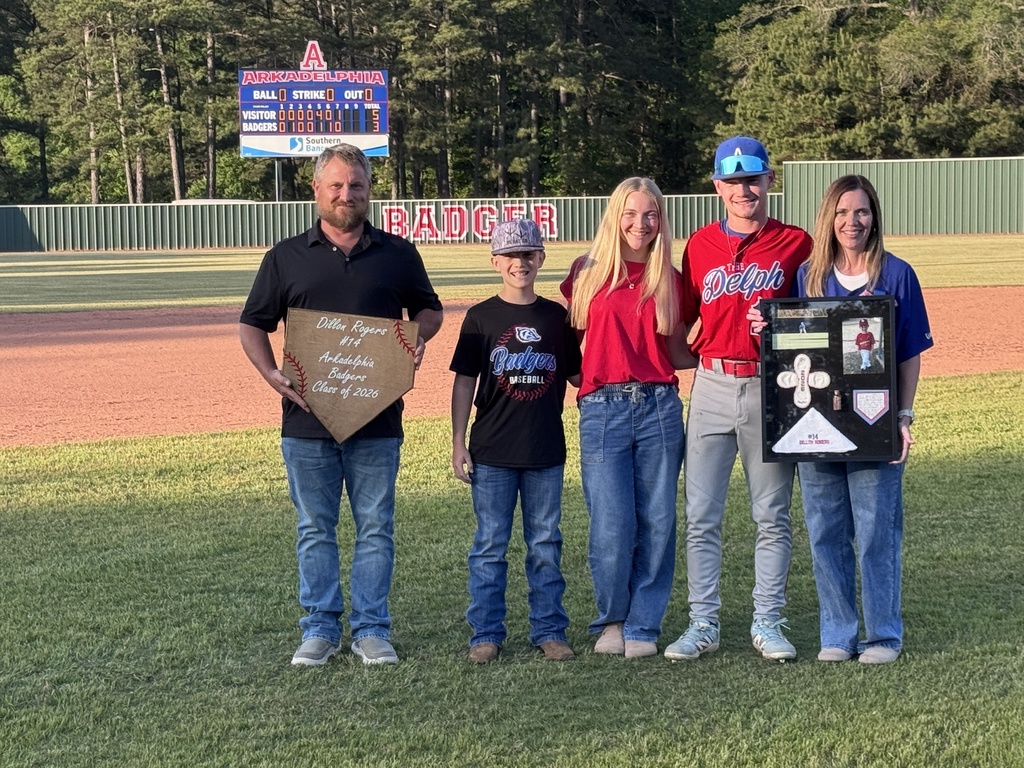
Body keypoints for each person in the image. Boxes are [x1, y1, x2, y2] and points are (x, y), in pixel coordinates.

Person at [239, 143, 443, 667]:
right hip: (305, 420)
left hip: (378, 416)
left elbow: (429, 309)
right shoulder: (285, 256)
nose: (346, 194)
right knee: (315, 528)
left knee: (375, 525)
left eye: (355, 185)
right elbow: (252, 323)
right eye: (336, 184)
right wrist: (269, 374)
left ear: (369, 190)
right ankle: (320, 629)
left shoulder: (397, 253)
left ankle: (372, 629)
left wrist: (414, 340)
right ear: (316, 189)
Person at [666, 136, 812, 662]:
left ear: (770, 180)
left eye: (752, 178)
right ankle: (702, 621)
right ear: (717, 187)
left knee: (771, 515)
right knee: (701, 514)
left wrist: (780, 324)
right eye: (732, 181)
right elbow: (680, 315)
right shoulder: (700, 245)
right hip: (709, 385)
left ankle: (768, 620)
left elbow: (816, 321)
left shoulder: (797, 243)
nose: (743, 189)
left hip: (772, 385)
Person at [786, 174, 932, 664]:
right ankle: (837, 634)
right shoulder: (806, 276)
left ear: (875, 217)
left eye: (862, 211)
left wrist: (904, 414)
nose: (852, 221)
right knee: (826, 529)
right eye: (843, 212)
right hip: (815, 420)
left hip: (874, 420)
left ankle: (883, 635)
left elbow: (909, 353)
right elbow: (788, 345)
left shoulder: (897, 274)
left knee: (876, 530)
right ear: (828, 217)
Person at [560, 177, 693, 659]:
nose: (642, 224)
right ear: (616, 216)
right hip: (602, 410)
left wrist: (734, 344)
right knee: (611, 523)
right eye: (633, 214)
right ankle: (612, 620)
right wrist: (593, 377)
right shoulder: (587, 272)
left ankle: (644, 623)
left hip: (659, 407)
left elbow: (677, 351)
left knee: (657, 520)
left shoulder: (671, 279)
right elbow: (569, 347)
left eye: (652, 215)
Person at [450, 219, 582, 664]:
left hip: (545, 448)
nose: (519, 263)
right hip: (492, 449)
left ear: (541, 259)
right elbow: (465, 381)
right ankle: (485, 633)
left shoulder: (556, 317)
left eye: (528, 254)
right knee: (490, 545)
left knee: (545, 543)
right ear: (495, 262)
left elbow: (579, 375)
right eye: (510, 255)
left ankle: (549, 630)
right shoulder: (481, 316)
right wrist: (457, 440)